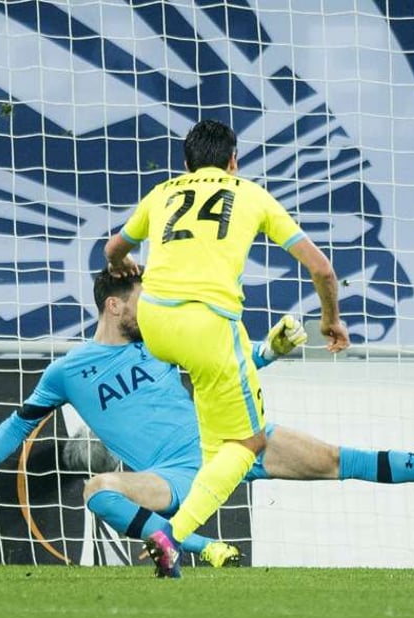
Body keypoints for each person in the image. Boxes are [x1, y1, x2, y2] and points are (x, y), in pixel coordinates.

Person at [0, 269, 414, 573]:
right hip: (174, 478)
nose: (150, 308)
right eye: (141, 299)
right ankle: (195, 546)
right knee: (99, 489)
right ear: (115, 305)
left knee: (332, 460)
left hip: (230, 443)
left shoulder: (161, 343)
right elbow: (20, 422)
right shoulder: (69, 370)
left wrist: (268, 352)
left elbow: (226, 365)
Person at [104, 119, 351, 577]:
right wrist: (330, 319)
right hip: (205, 324)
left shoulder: (163, 192)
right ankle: (172, 536)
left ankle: (174, 541)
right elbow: (323, 270)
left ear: (186, 163)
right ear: (233, 161)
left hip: (155, 320)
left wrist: (124, 264)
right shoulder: (250, 195)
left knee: (219, 444)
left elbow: (114, 248)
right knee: (250, 442)